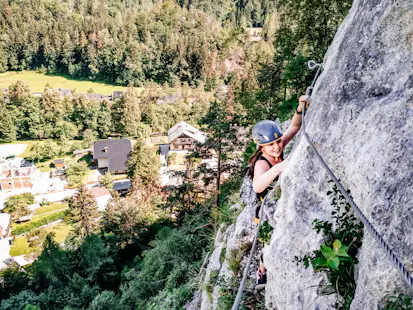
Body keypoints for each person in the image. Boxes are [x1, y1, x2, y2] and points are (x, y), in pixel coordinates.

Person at [248, 95, 309, 284]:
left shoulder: (279, 146)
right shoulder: (261, 163)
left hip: (279, 201)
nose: (276, 147)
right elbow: (257, 186)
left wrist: (300, 107)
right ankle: (261, 270)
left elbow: (295, 127)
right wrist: (279, 167)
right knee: (269, 245)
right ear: (260, 147)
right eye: (270, 145)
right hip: (267, 209)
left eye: (278, 142)